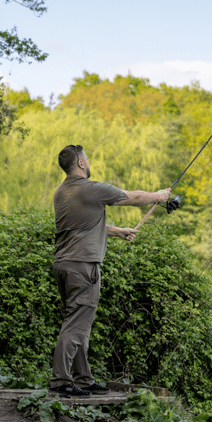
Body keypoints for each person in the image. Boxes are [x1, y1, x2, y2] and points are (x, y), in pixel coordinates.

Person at [49, 144, 171, 397]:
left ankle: (84, 380)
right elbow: (131, 197)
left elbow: (82, 226)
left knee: (78, 323)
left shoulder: (61, 193)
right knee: (76, 326)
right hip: (83, 267)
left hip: (65, 265)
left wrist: (117, 231)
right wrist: (158, 196)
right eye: (86, 159)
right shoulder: (91, 189)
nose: (88, 162)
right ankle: (61, 381)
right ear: (80, 163)